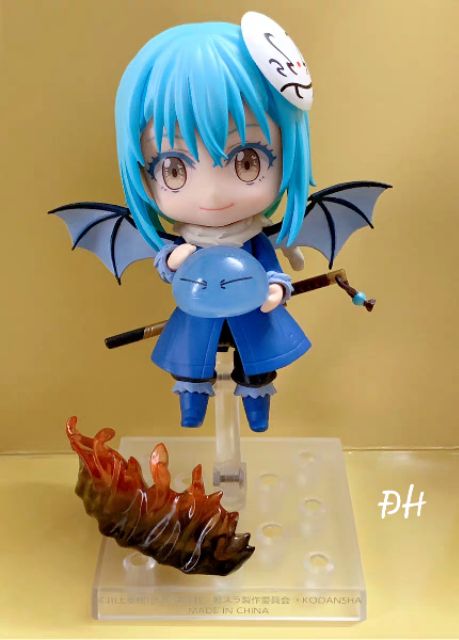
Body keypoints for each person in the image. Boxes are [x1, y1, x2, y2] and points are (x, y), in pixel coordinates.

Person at [114, 20, 314, 431]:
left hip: (252, 311)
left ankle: (257, 408)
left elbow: (270, 266)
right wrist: (174, 259)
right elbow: (168, 266)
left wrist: (277, 288)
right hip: (198, 312)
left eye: (247, 161)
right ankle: (192, 404)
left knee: (258, 365)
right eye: (173, 168)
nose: (211, 194)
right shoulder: (189, 240)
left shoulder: (253, 238)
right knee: (190, 363)